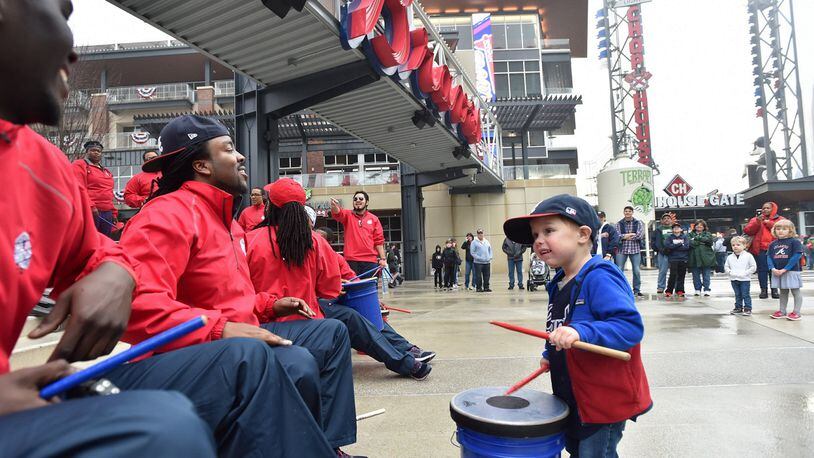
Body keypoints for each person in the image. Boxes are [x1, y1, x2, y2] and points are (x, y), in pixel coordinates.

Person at [0, 2, 216, 455]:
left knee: (268, 356)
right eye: (62, 11)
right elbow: (132, 199)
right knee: (163, 426)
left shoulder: (44, 164)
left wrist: (117, 270)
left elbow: (96, 253)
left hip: (93, 224)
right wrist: (220, 328)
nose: (73, 53)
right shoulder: (159, 207)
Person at [118, 115, 354, 456]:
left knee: (330, 332)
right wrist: (219, 330)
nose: (241, 156)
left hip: (239, 334)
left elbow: (232, 298)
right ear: (201, 165)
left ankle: (326, 444)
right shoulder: (165, 215)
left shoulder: (227, 222)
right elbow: (135, 304)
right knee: (294, 363)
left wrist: (270, 304)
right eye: (228, 148)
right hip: (190, 350)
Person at [502, 194, 651, 457]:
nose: (538, 241)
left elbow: (628, 326)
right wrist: (551, 354)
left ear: (583, 234)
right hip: (572, 394)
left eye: (548, 230)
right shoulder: (559, 281)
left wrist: (581, 332)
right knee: (576, 448)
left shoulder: (600, 277)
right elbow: (559, 325)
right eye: (535, 234)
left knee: (594, 453)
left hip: (601, 400)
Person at [246, 179, 431, 382]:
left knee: (352, 317)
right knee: (353, 316)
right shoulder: (315, 242)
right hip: (309, 324)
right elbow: (330, 289)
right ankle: (406, 360)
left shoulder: (249, 241)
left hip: (261, 323)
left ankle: (405, 355)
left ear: (270, 207)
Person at [315, 227, 436, 367]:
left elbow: (354, 280)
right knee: (353, 316)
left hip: (335, 300)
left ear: (328, 243)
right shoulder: (307, 256)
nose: (316, 240)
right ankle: (403, 358)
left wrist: (372, 301)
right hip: (318, 304)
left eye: (320, 238)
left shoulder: (336, 258)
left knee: (370, 314)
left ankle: (407, 348)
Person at [330, 191, 387, 277]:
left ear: (367, 202)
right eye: (355, 199)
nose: (358, 200)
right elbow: (338, 213)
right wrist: (335, 207)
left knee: (369, 289)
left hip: (370, 262)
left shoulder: (374, 219)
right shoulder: (348, 215)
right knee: (352, 289)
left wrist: (383, 259)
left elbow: (379, 241)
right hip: (351, 261)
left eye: (361, 198)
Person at [72, 140, 115, 237]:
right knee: (91, 240)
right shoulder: (79, 165)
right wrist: (91, 206)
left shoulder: (106, 171)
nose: (96, 152)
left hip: (107, 212)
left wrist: (113, 212)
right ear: (86, 152)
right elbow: (78, 187)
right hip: (91, 211)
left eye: (99, 151)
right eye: (93, 150)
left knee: (106, 241)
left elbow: (109, 192)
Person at [744, 202, 785, 299]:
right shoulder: (755, 219)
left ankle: (774, 289)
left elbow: (784, 229)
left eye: (768, 208)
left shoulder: (780, 219)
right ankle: (763, 290)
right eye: (763, 208)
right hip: (761, 249)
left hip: (776, 249)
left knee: (774, 270)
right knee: (762, 270)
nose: (765, 210)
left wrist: (770, 223)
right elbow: (747, 230)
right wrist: (757, 222)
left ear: (773, 209)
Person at [767, 220, 805, 320]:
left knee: (795, 291)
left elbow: (796, 256)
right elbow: (769, 257)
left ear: (790, 230)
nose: (781, 231)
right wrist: (772, 268)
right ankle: (782, 311)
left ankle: (797, 312)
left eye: (784, 229)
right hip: (777, 271)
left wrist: (785, 268)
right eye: (778, 229)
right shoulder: (772, 244)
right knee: (783, 291)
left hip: (791, 271)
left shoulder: (795, 242)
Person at [615, 206, 645, 297]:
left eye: (629, 211)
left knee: (636, 270)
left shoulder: (638, 223)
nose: (627, 213)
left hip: (635, 249)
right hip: (622, 249)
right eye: (626, 211)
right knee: (619, 269)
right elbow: (617, 235)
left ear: (632, 212)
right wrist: (630, 235)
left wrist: (625, 236)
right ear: (624, 212)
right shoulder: (618, 224)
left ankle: (636, 290)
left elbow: (640, 235)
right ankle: (620, 288)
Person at [725, 236, 757, 316]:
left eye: (738, 245)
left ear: (744, 246)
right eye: (733, 245)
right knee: (737, 294)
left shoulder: (748, 256)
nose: (735, 246)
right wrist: (730, 272)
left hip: (745, 279)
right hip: (734, 279)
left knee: (745, 294)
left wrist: (746, 273)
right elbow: (726, 266)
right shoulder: (729, 257)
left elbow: (753, 267)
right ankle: (738, 307)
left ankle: (748, 308)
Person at [688, 219, 716, 296]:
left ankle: (707, 289)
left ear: (704, 227)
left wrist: (697, 238)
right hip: (694, 258)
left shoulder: (708, 234)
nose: (699, 227)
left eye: (701, 225)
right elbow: (690, 243)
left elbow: (709, 241)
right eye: (697, 225)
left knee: (706, 275)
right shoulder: (690, 234)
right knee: (695, 275)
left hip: (706, 258)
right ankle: (697, 289)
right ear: (695, 226)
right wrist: (702, 242)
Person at [663, 223, 690, 298]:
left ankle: (680, 290)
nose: (676, 229)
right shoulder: (669, 237)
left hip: (683, 258)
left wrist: (674, 246)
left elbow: (687, 247)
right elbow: (667, 245)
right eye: (674, 228)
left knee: (682, 275)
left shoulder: (685, 237)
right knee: (673, 275)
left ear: (681, 229)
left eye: (678, 227)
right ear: (672, 230)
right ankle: (669, 291)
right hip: (673, 259)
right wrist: (679, 244)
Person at [650, 213, 674, 293]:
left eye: (668, 218)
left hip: (674, 253)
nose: (666, 219)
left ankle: (676, 287)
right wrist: (659, 249)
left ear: (671, 220)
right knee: (662, 271)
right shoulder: (658, 230)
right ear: (661, 220)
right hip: (662, 253)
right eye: (665, 218)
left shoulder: (675, 228)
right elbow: (654, 242)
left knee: (675, 271)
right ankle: (660, 287)